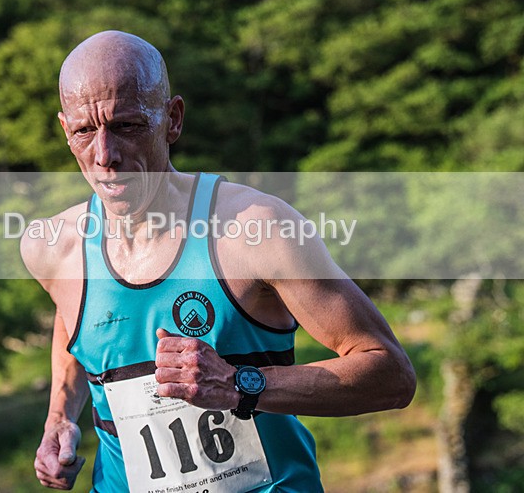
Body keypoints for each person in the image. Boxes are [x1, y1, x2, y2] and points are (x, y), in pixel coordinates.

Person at [21, 30, 417, 492]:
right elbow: (78, 321)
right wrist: (59, 418)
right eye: (85, 131)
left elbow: (390, 374)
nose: (106, 156)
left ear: (172, 119)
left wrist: (241, 385)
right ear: (66, 132)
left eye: (127, 126)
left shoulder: (254, 229)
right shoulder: (53, 248)